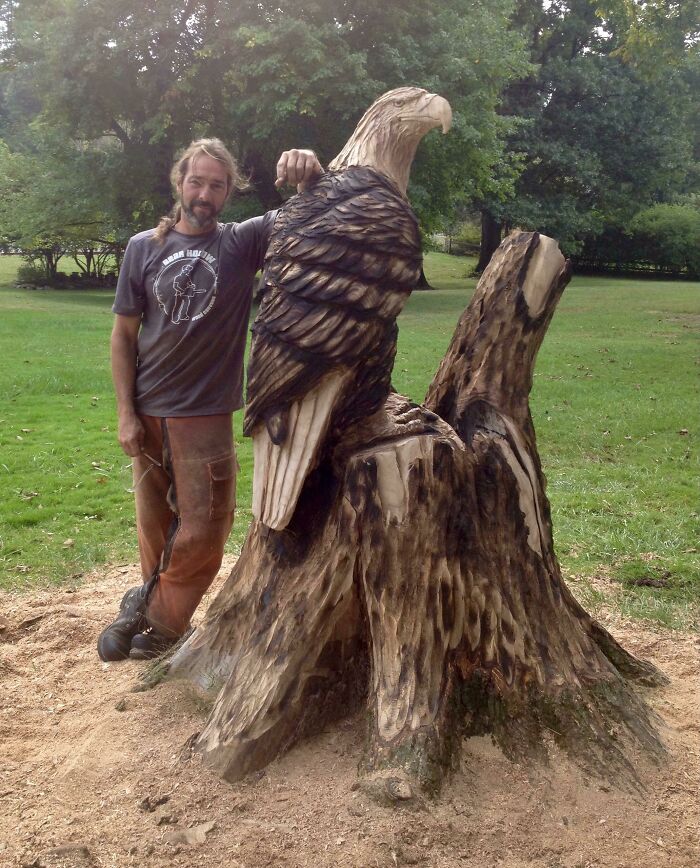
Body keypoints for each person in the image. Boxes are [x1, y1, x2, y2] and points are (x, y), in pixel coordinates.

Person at [97, 139, 323, 662]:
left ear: (229, 191)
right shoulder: (142, 248)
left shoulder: (242, 242)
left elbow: (309, 215)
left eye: (216, 185)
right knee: (155, 525)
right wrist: (126, 414)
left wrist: (310, 172)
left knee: (206, 527)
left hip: (205, 415)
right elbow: (123, 337)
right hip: (149, 411)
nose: (204, 194)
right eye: (196, 182)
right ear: (179, 182)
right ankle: (148, 606)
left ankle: (158, 619)